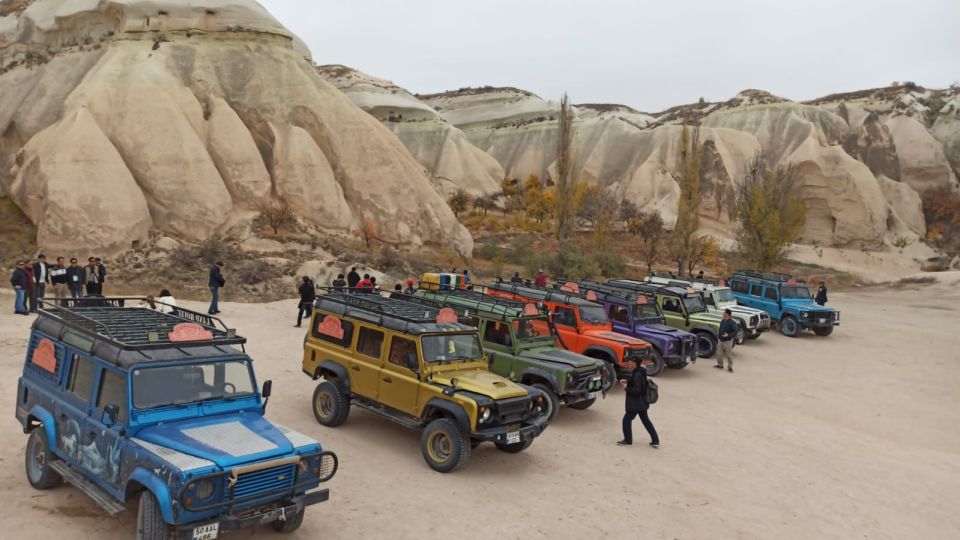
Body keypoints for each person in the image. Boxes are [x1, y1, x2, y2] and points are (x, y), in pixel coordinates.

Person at [618, 366, 659, 448]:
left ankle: (628, 440)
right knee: (646, 421)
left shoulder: (637, 374)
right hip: (642, 403)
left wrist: (626, 388)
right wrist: (627, 381)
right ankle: (655, 441)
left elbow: (636, 391)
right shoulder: (642, 371)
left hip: (635, 404)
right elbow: (639, 382)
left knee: (626, 420)